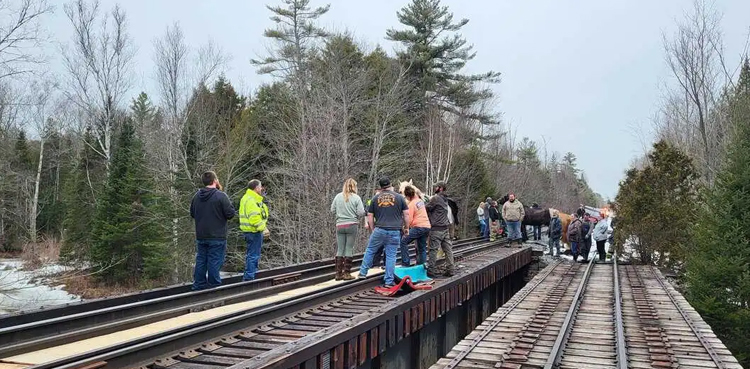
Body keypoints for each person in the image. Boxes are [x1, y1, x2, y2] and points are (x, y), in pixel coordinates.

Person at [358, 177, 409, 287]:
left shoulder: (375, 199)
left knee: (370, 250)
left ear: (380, 187)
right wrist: (406, 228)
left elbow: (370, 215)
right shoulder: (400, 198)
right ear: (390, 185)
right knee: (391, 256)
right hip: (395, 231)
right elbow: (406, 214)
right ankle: (389, 281)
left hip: (379, 229)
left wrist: (372, 229)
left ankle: (362, 273)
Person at [190, 171, 236, 290]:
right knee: (214, 261)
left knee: (201, 260)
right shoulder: (221, 196)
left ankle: (198, 285)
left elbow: (192, 213)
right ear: (215, 180)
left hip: (201, 235)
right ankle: (214, 286)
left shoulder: (196, 196)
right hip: (217, 235)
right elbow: (230, 214)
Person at [331, 178, 366, 280]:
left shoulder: (338, 196)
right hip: (352, 225)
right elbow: (360, 212)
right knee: (349, 248)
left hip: (339, 225)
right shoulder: (356, 198)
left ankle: (338, 274)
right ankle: (347, 274)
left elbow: (332, 210)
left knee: (340, 248)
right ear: (354, 187)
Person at [239, 179, 269, 281]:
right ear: (256, 188)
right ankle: (249, 279)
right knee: (253, 256)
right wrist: (263, 229)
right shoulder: (251, 200)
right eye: (260, 187)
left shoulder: (246, 198)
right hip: (254, 232)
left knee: (251, 255)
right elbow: (254, 218)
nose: (261, 189)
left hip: (249, 231)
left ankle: (249, 277)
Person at [426, 181, 456, 277]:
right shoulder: (445, 199)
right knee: (448, 250)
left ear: (441, 188)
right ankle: (451, 270)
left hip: (436, 229)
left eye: (437, 187)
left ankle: (430, 271)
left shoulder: (435, 198)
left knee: (433, 250)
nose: (435, 188)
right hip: (445, 228)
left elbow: (426, 208)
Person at [400, 185, 431, 267]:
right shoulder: (420, 201)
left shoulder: (411, 205)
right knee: (422, 247)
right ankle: (422, 266)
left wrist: (406, 228)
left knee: (403, 241)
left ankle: (405, 264)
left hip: (418, 227)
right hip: (427, 226)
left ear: (407, 196)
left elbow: (409, 219)